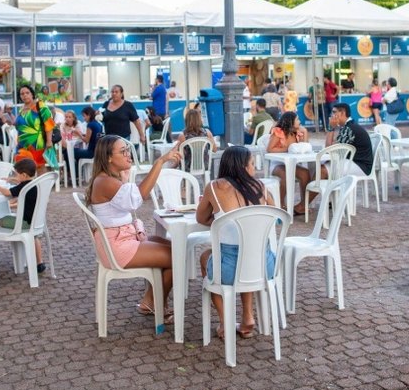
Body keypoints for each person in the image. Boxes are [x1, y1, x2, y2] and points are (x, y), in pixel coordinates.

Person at [87, 135, 181, 319]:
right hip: (117, 246)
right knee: (177, 257)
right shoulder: (105, 181)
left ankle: (150, 301)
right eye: (123, 151)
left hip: (120, 239)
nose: (128, 155)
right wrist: (160, 161)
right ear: (108, 158)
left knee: (174, 248)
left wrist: (125, 176)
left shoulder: (107, 178)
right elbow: (138, 198)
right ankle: (156, 304)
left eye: (128, 150)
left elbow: (130, 198)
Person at [196, 146, 274, 339]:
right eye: (252, 164)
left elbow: (201, 218)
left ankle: (225, 322)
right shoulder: (261, 187)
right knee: (246, 255)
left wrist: (222, 221)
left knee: (206, 257)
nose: (254, 169)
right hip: (265, 265)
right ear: (243, 167)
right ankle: (248, 316)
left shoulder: (214, 187)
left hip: (229, 268)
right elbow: (275, 215)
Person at [0, 158, 46, 274]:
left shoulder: (23, 187)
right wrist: (11, 179)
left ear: (23, 175)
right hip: (35, 222)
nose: (15, 176)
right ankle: (39, 262)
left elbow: (8, 193)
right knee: (34, 237)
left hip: (24, 223)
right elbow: (20, 184)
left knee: (1, 221)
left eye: (16, 175)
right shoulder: (35, 184)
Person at [267, 111, 310, 215]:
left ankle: (303, 205)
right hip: (277, 164)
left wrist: (305, 133)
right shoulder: (279, 131)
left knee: (305, 174)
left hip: (291, 164)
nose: (300, 121)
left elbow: (304, 147)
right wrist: (287, 148)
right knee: (287, 176)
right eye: (297, 120)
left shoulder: (297, 133)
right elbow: (270, 149)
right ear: (290, 121)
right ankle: (280, 204)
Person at [324, 102, 374, 176]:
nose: (332, 116)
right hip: (354, 162)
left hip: (361, 166)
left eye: (334, 112)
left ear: (343, 113)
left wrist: (331, 128)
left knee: (322, 171)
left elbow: (329, 150)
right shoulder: (348, 126)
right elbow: (332, 148)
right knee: (319, 167)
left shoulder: (349, 128)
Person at [15, 84, 55, 173]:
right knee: (22, 167)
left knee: (39, 166)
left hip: (37, 143)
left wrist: (49, 141)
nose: (25, 95)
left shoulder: (40, 106)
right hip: (22, 144)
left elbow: (49, 123)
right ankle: (28, 187)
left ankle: (42, 187)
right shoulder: (21, 109)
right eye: (22, 94)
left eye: (27, 93)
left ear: (32, 94)